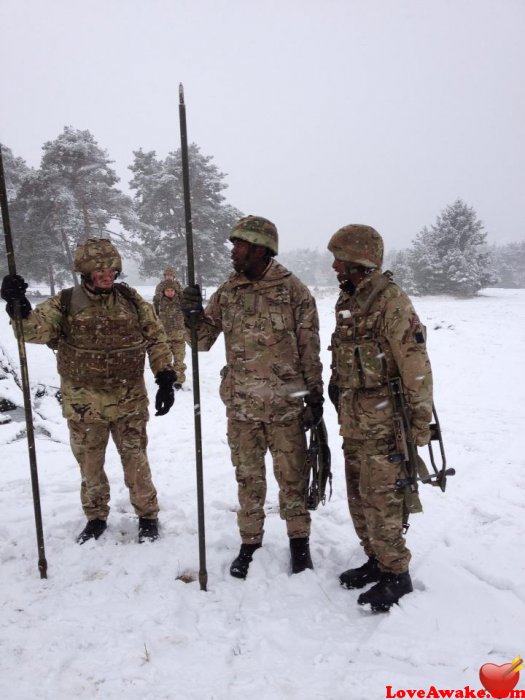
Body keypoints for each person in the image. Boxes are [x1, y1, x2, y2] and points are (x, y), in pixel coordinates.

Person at [0, 239, 177, 544]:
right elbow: (32, 330)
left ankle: (147, 515)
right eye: (99, 269)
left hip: (129, 399)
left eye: (111, 268)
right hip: (84, 403)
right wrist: (19, 307)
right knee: (90, 464)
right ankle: (96, 517)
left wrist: (164, 375)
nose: (106, 274)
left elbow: (156, 337)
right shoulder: (66, 302)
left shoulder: (131, 300)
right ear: (84, 271)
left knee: (136, 460)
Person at [182, 215, 324, 578]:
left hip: (285, 407)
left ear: (262, 249)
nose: (233, 252)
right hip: (242, 407)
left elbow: (310, 349)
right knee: (248, 478)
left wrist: (315, 397)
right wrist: (191, 315)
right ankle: (250, 542)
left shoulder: (294, 291)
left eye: (240, 246)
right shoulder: (229, 291)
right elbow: (201, 341)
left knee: (292, 479)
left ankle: (299, 544)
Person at [327, 224, 433, 611]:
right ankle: (374, 558)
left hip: (386, 425)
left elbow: (415, 366)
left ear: (360, 260)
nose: (335, 265)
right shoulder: (349, 299)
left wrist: (420, 424)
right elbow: (342, 350)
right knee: (358, 494)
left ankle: (396, 574)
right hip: (355, 421)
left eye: (340, 258)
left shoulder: (391, 302)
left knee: (383, 498)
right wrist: (336, 384)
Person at [153, 275, 187, 388]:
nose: (170, 292)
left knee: (179, 360)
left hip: (179, 336)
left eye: (172, 290)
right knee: (166, 361)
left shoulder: (181, 301)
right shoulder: (159, 302)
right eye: (167, 290)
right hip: (165, 337)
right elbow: (154, 316)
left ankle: (178, 380)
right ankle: (167, 380)